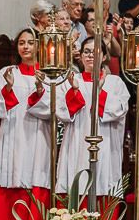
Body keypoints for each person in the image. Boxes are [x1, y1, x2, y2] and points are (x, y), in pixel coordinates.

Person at [0, 29, 52, 220]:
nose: (25, 47)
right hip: (12, 136)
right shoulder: (7, 71)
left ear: (39, 46)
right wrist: (8, 88)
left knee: (35, 180)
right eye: (21, 43)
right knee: (10, 180)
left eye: (30, 43)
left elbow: (54, 110)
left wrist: (41, 89)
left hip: (37, 137)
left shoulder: (48, 74)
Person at [55, 37, 129, 207]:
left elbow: (118, 110)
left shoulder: (115, 82)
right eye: (86, 52)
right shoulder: (71, 82)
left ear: (104, 57)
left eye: (96, 52)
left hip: (106, 147)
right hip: (76, 145)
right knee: (76, 184)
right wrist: (74, 90)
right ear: (80, 56)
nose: (90, 56)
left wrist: (100, 91)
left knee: (104, 186)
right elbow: (63, 113)